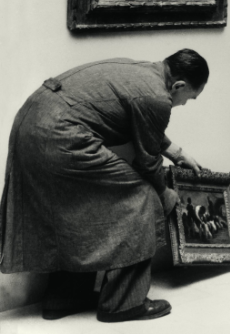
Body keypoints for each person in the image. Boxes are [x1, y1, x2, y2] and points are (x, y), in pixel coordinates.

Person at [0, 49, 209, 322]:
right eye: (190, 98)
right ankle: (123, 303)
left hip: (31, 124)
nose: (184, 104)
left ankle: (65, 297)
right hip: (60, 136)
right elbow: (147, 162)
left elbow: (143, 122)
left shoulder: (142, 72)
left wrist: (179, 154)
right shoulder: (158, 97)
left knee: (79, 209)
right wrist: (165, 193)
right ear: (178, 85)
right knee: (142, 198)